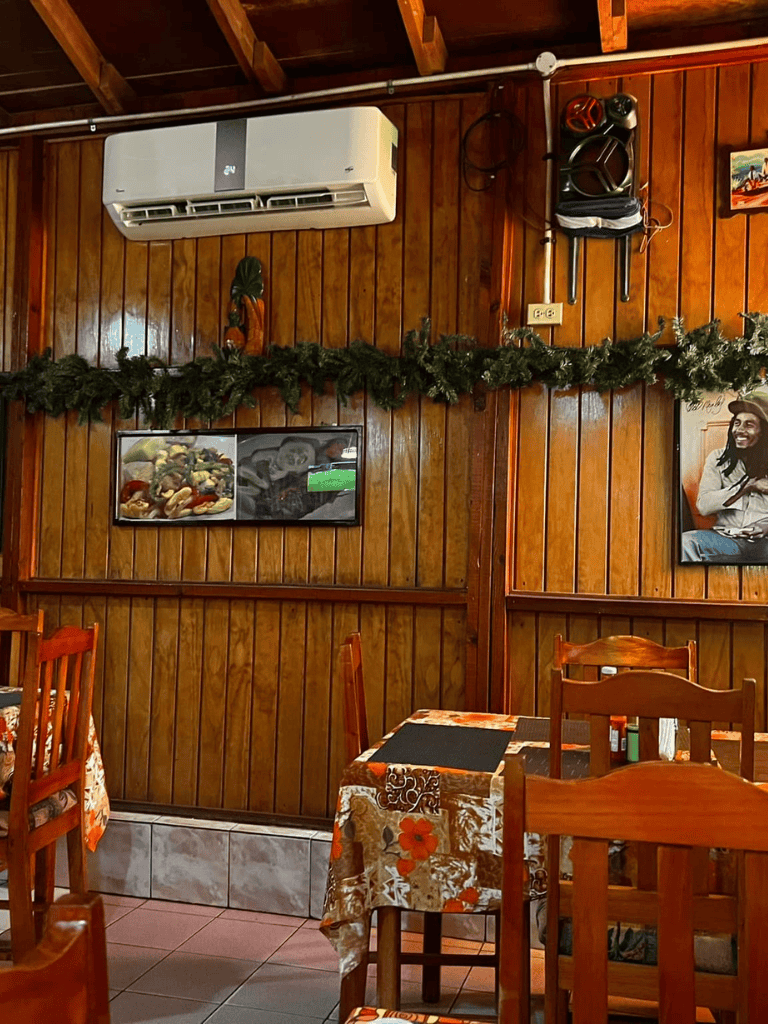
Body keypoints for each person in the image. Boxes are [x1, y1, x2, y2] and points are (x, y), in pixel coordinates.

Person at [681, 392, 768, 562]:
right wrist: (746, 487)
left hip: (765, 543)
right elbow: (704, 506)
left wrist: (765, 527)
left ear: (763, 432)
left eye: (749, 424)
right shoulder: (718, 459)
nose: (740, 430)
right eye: (737, 423)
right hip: (727, 540)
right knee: (686, 542)